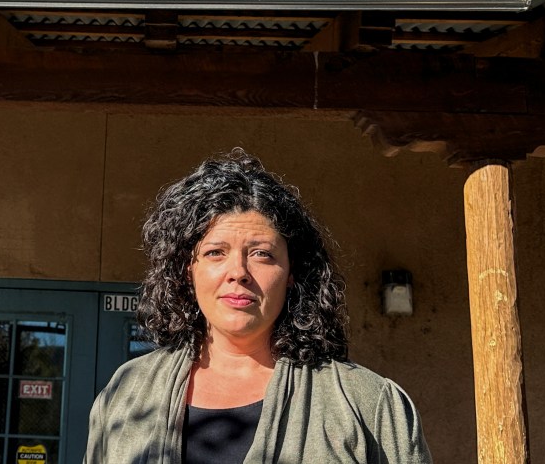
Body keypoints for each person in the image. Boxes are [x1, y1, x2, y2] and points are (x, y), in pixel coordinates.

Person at [85, 149, 431, 464]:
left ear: (292, 272)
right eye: (215, 252)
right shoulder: (127, 391)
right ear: (187, 271)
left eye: (261, 254)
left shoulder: (366, 403)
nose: (238, 273)